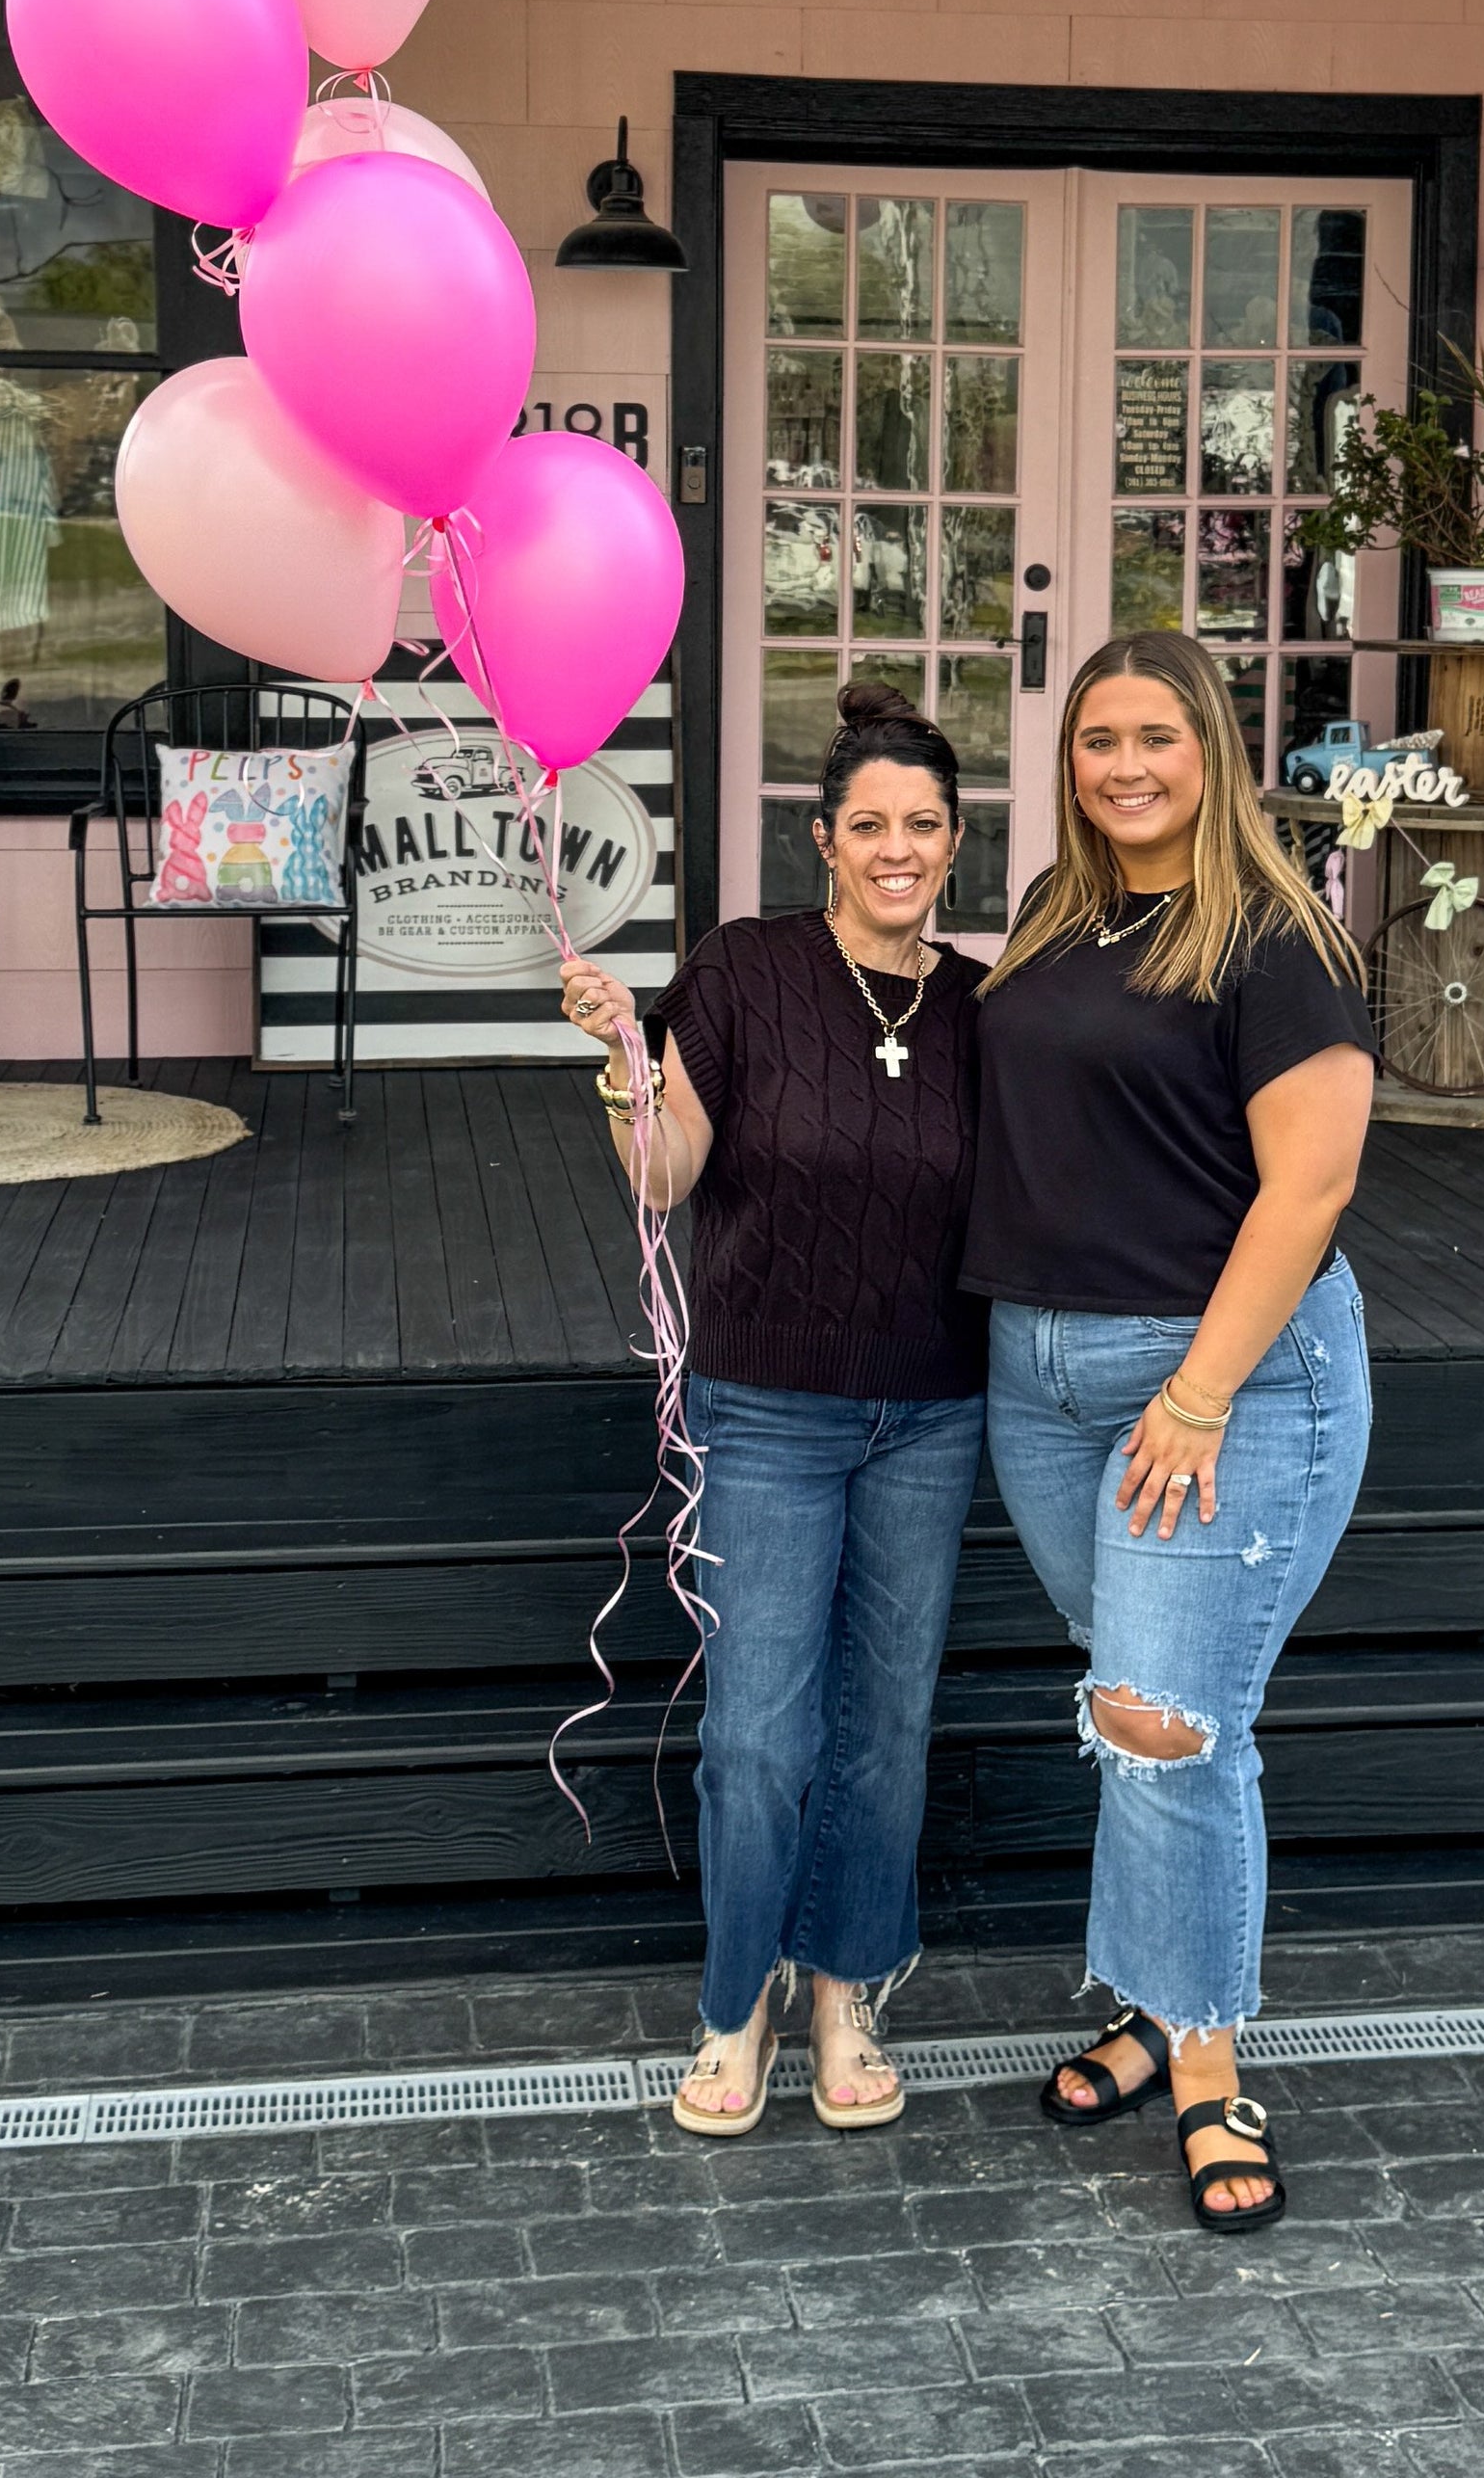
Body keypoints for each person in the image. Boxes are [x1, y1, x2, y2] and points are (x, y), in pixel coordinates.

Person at [964, 626, 1378, 2234]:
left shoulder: (1277, 939)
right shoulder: (1061, 914)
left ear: (1213, 748)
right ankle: (1152, 2001)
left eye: (1158, 736)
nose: (1125, 765)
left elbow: (1314, 1186)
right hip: (1043, 1377)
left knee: (1165, 1719)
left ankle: (1207, 2070)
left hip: (1222, 1380)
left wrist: (1197, 1393)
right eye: (1096, 739)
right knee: (1142, 1702)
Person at [557, 679, 985, 2138]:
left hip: (932, 1412)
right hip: (769, 1412)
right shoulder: (742, 972)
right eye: (870, 823)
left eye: (924, 825)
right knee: (757, 1733)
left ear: (953, 842)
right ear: (822, 837)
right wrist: (623, 1065)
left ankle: (847, 1992)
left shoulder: (982, 1008)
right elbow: (666, 1175)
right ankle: (734, 2001)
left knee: (884, 1729)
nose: (898, 849)